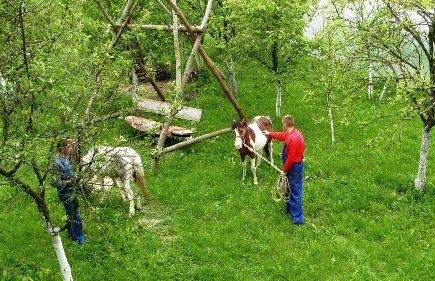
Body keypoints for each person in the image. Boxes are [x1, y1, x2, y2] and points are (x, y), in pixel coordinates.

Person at [263, 115, 305, 225]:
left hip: (294, 167)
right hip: (292, 166)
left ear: (285, 124)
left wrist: (284, 170)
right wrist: (270, 134)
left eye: (282, 123)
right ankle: (289, 210)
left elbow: (291, 158)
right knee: (287, 188)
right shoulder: (294, 133)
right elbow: (282, 135)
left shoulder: (293, 139)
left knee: (295, 191)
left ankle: (297, 220)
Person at [53, 139, 86, 245]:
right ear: (61, 149)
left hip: (72, 191)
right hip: (65, 192)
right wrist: (69, 181)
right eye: (68, 147)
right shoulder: (57, 163)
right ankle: (79, 237)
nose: (71, 149)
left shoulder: (66, 159)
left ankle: (71, 233)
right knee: (75, 215)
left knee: (70, 213)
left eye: (71, 147)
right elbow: (54, 182)